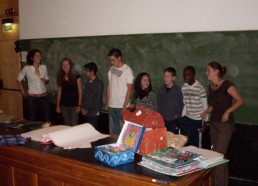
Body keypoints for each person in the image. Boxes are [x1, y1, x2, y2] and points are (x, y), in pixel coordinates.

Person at [201, 62, 244, 186]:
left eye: (208, 70)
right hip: (213, 124)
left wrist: (228, 111)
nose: (206, 73)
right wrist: (206, 111)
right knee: (217, 156)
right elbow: (213, 106)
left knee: (219, 155)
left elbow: (240, 100)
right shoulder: (211, 87)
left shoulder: (227, 85)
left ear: (216, 71)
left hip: (225, 126)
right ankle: (218, 182)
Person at [105, 48, 134, 136]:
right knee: (112, 133)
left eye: (113, 60)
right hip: (112, 106)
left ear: (119, 58)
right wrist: (107, 103)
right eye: (110, 60)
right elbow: (109, 86)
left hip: (122, 106)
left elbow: (129, 90)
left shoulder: (127, 70)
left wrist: (125, 107)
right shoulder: (112, 69)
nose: (112, 62)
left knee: (122, 134)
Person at [17, 49, 50, 122]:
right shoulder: (26, 68)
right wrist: (23, 93)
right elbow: (19, 80)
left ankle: (46, 133)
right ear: (32, 58)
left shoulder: (44, 67)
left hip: (44, 97)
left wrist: (45, 80)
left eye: (39, 56)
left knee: (47, 119)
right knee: (32, 119)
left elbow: (47, 79)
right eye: (37, 56)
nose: (39, 57)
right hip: (32, 98)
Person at [180, 66, 208, 147]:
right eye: (184, 75)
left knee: (196, 144)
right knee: (186, 142)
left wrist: (205, 123)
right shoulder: (184, 87)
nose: (186, 77)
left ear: (194, 75)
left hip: (198, 119)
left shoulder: (200, 87)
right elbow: (185, 104)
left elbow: (205, 107)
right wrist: (182, 117)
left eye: (188, 74)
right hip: (188, 118)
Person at [56, 58, 82, 126]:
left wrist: (79, 105)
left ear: (71, 65)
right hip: (64, 105)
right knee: (67, 125)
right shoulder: (60, 76)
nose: (65, 66)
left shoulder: (77, 76)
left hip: (74, 105)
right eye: (63, 65)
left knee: (74, 125)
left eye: (67, 64)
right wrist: (57, 106)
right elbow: (59, 91)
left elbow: (80, 91)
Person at [157, 67, 183, 134]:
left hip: (174, 121)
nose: (165, 78)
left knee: (173, 141)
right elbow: (158, 105)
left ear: (173, 78)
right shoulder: (161, 90)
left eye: (168, 76)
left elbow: (181, 105)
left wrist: (178, 117)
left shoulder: (178, 90)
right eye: (164, 76)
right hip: (162, 120)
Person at [81, 62, 104, 129]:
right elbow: (85, 95)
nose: (85, 72)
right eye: (85, 70)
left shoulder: (99, 84)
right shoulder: (88, 82)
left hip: (94, 112)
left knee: (93, 131)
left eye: (87, 71)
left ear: (92, 72)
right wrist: (82, 107)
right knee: (87, 131)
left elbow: (97, 100)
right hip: (87, 111)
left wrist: (87, 109)